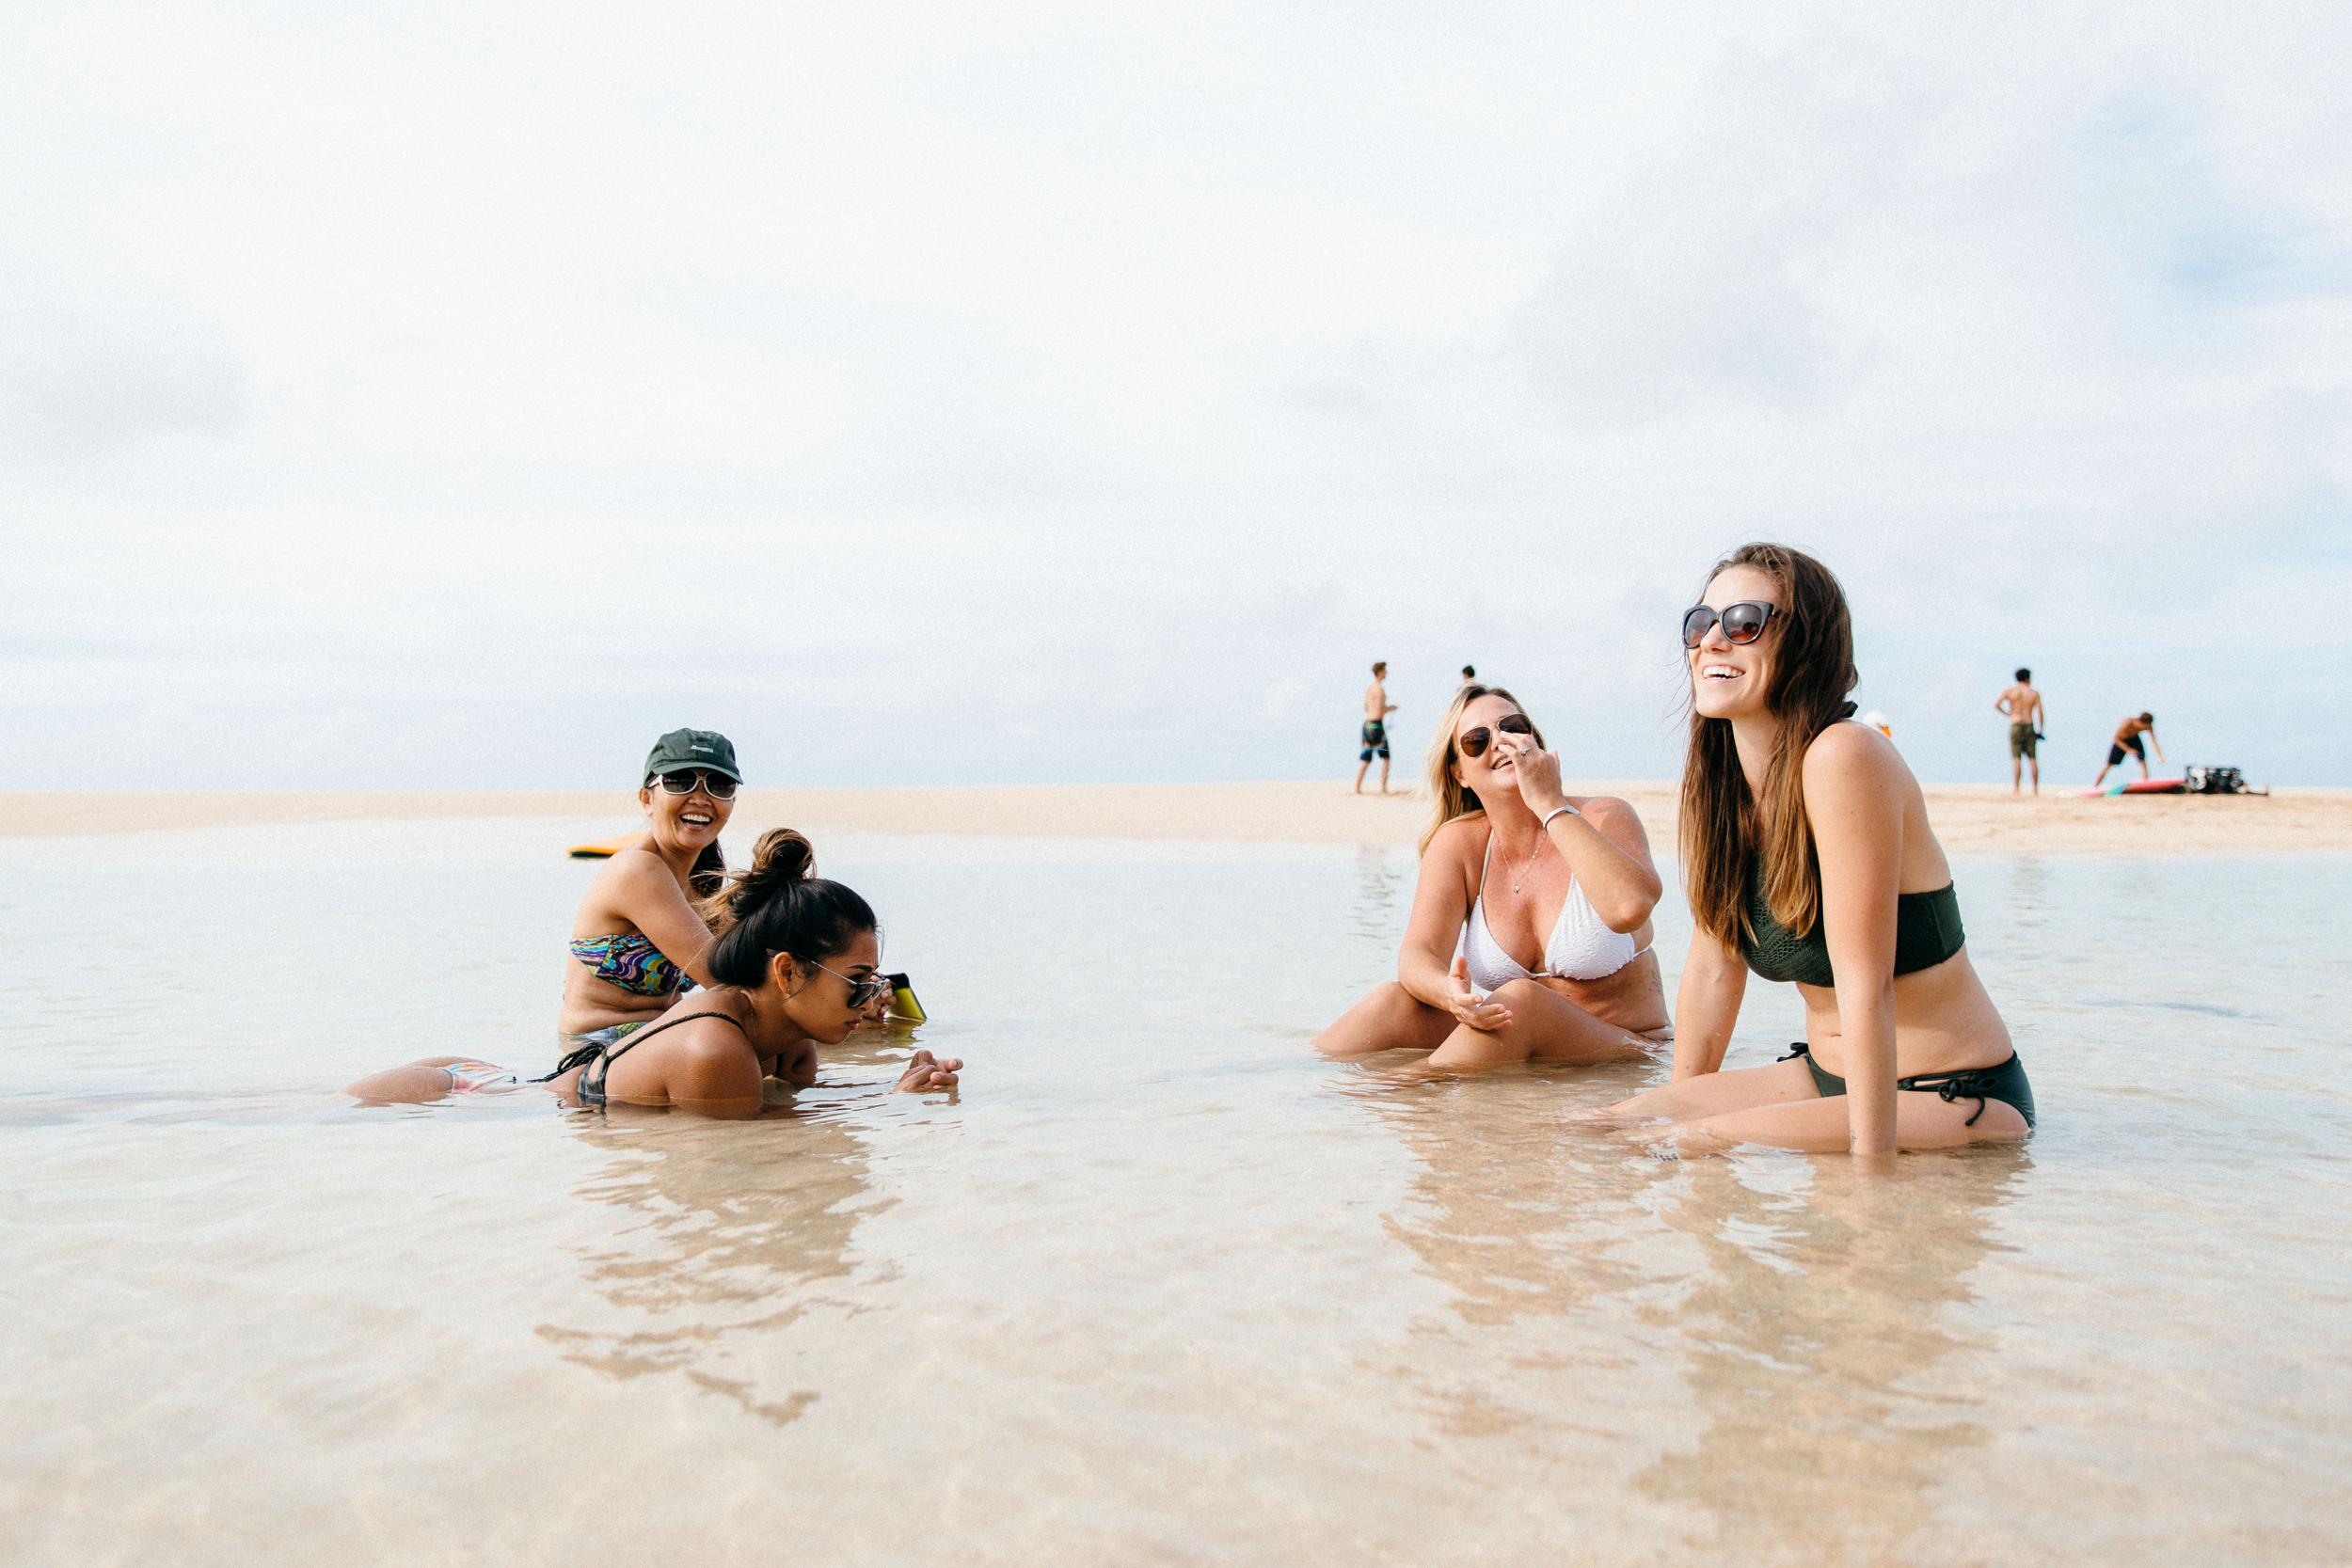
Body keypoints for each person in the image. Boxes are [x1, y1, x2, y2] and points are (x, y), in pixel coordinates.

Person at [1574, 543, 2033, 1157]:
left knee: (1691, 1138)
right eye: (1700, 623)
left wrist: (1872, 1192)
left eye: (1744, 622)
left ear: (1807, 643)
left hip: (1953, 1090)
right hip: (1824, 1075)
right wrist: (1681, 1113)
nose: (1713, 641)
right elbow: (1714, 970)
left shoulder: (1846, 756)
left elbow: (1865, 986)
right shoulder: (1722, 789)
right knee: (1599, 1127)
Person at [349, 830, 961, 1114]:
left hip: (498, 1078)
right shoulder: (714, 1049)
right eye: (859, 981)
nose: (870, 999)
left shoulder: (791, 1042)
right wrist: (890, 1104)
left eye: (875, 982)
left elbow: (787, 1109)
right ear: (787, 972)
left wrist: (899, 1083)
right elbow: (762, 1144)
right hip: (462, 1095)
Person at [1315, 684, 1671, 1070]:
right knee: (1393, 1003)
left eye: (1512, 726)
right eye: (1476, 740)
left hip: (1624, 1049)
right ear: (1459, 773)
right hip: (1517, 1042)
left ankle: (1387, 1093)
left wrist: (1550, 804)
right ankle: (1295, 1088)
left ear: (1533, 739)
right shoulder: (1460, 844)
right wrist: (1448, 995)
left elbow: (1630, 907)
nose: (1499, 741)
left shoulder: (1604, 816)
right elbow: (1418, 956)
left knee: (1525, 1001)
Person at [558, 728, 741, 1042]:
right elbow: (722, 977)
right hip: (599, 1047)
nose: (701, 798)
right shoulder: (637, 869)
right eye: (680, 781)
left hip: (665, 1036)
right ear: (647, 799)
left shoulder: (705, 881)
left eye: (719, 785)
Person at [1996, 668, 2045, 795]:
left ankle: (2016, 789)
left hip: (2016, 724)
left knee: (2016, 758)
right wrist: (2040, 730)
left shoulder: (2011, 692)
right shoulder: (2033, 694)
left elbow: (1996, 704)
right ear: (2028, 678)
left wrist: (2009, 715)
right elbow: (2040, 713)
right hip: (2029, 724)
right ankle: (2035, 790)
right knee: (2032, 758)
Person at [1355, 662, 1398, 796]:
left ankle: (1357, 787)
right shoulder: (1379, 689)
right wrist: (1390, 708)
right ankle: (1383, 788)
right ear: (1379, 671)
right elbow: (1380, 710)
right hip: (1376, 726)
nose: (1387, 673)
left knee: (1366, 758)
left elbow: (1366, 707)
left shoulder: (1369, 688)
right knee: (1386, 757)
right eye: (1385, 670)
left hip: (1367, 725)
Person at [2092, 712, 2163, 785]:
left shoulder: (2148, 726)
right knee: (2109, 764)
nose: (2145, 728)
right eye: (2144, 727)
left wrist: (2160, 756)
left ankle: (2145, 784)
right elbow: (2116, 738)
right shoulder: (2127, 723)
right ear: (2140, 722)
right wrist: (2128, 749)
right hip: (2121, 740)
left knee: (2142, 762)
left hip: (2134, 739)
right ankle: (2095, 785)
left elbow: (2154, 741)